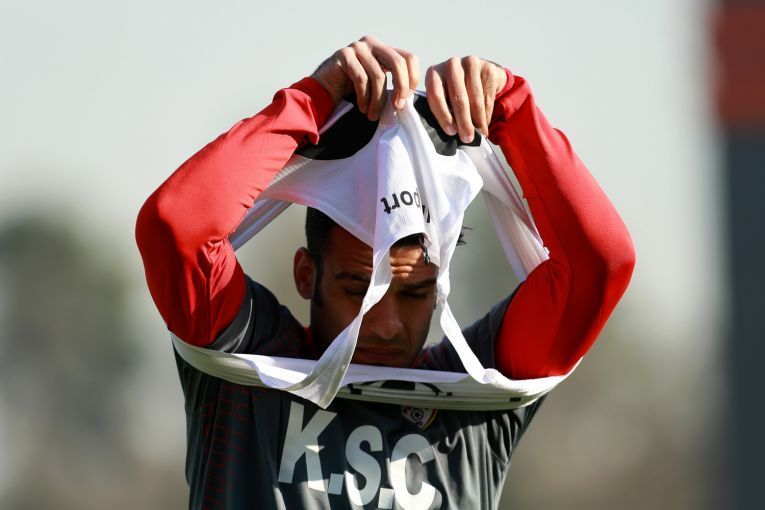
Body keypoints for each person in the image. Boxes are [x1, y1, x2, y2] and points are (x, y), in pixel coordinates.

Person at [136, 35, 635, 509]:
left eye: (416, 294)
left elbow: (599, 266)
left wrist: (510, 105)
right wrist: (312, 99)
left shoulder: (477, 385)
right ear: (306, 274)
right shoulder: (248, 358)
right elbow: (176, 228)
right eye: (360, 289)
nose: (387, 325)